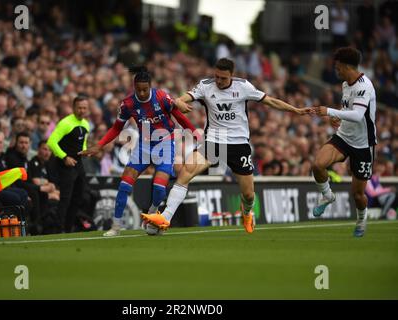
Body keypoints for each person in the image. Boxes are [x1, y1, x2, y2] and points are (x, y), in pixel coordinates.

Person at [141, 58, 310, 233]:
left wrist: (295, 110)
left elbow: (271, 101)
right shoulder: (206, 86)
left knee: (248, 194)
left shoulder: (243, 87)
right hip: (214, 141)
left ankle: (247, 212)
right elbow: (183, 97)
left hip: (239, 144)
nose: (219, 81)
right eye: (217, 77)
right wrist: (178, 102)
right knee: (186, 172)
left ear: (232, 76)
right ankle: (165, 218)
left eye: (223, 78)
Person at [79, 67, 197, 237]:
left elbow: (180, 117)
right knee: (124, 186)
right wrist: (100, 145)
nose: (141, 93)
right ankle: (116, 227)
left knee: (159, 189)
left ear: (150, 87)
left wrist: (195, 134)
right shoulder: (128, 104)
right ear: (133, 87)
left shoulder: (161, 97)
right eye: (138, 89)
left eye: (145, 89)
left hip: (165, 144)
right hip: (144, 146)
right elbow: (116, 128)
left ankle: (152, 212)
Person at [311, 47, 377, 237]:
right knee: (317, 165)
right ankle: (327, 196)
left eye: (338, 67)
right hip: (343, 137)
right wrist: (337, 117)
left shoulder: (364, 86)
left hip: (364, 145)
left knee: (357, 195)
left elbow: (357, 115)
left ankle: (361, 219)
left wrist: (330, 112)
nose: (336, 70)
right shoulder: (345, 84)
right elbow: (348, 109)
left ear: (348, 67)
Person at [47, 95, 90, 233]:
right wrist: (65, 157)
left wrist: (85, 151)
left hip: (78, 163)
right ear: (73, 108)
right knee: (65, 198)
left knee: (79, 197)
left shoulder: (86, 124)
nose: (82, 111)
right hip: (65, 164)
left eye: (84, 108)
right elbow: (51, 142)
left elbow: (82, 142)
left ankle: (68, 227)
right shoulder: (65, 123)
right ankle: (58, 229)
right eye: (79, 108)